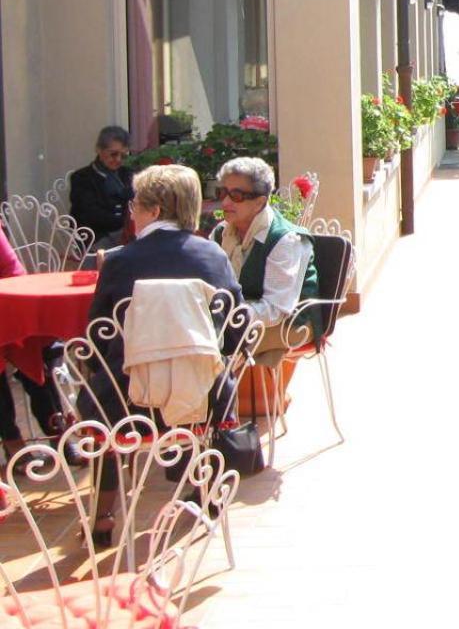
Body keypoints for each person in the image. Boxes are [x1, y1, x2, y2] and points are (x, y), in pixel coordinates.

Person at [79, 164, 243, 545]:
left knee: (103, 380)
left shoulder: (119, 261)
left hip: (124, 405)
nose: (130, 212)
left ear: (154, 211)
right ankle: (202, 490)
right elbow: (235, 330)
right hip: (202, 402)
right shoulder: (212, 256)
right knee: (201, 371)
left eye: (134, 204)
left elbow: (97, 336)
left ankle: (103, 516)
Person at [210, 157, 320, 368]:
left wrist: (226, 319)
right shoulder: (220, 234)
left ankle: (230, 399)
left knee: (213, 348)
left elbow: (276, 310)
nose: (225, 203)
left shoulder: (284, 239)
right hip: (238, 320)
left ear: (260, 201)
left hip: (289, 324)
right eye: (222, 193)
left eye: (236, 196)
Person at [0, 228, 66, 460]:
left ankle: (59, 433)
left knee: (38, 346)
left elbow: (13, 270)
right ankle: (12, 441)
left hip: (4, 301)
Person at [68, 126, 135, 252]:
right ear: (99, 149)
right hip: (95, 237)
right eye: (113, 154)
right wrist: (127, 223)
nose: (118, 160)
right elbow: (92, 215)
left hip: (124, 235)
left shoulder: (127, 174)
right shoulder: (82, 178)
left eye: (123, 155)